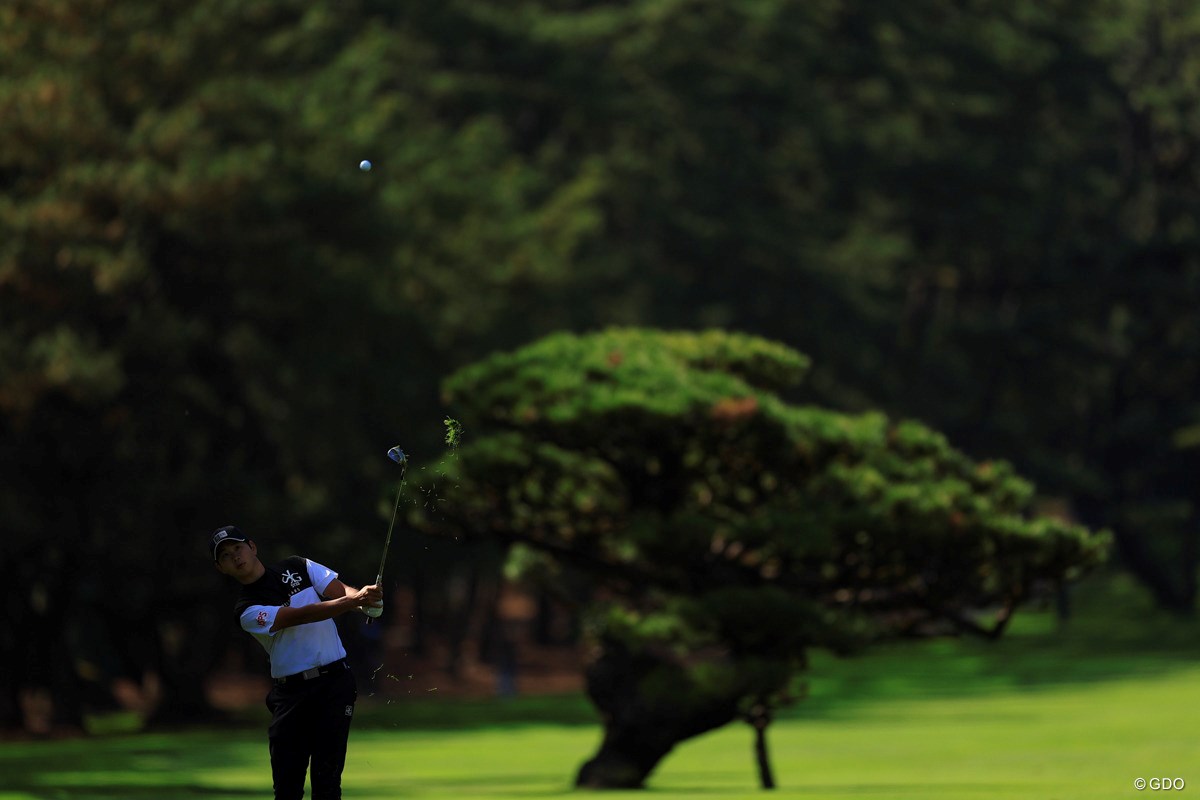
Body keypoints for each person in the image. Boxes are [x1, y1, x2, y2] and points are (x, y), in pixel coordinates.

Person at [211, 524, 383, 800]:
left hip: (335, 685)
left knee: (327, 783)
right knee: (287, 788)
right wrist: (355, 602)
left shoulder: (298, 565)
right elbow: (301, 616)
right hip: (291, 696)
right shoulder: (246, 609)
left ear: (252, 547)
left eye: (238, 548)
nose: (236, 557)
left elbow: (341, 592)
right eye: (226, 556)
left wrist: (365, 600)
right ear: (221, 568)